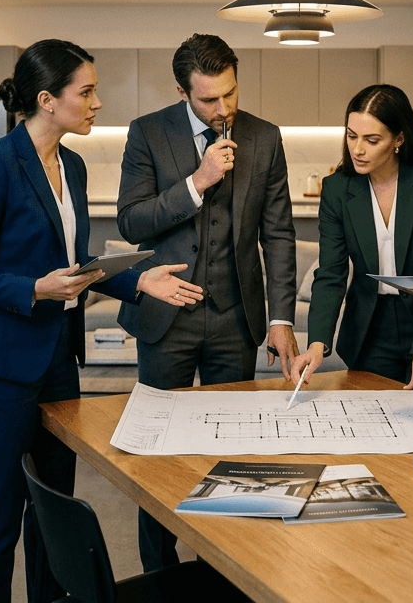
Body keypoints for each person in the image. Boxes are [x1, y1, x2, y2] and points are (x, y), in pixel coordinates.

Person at [0, 39, 202, 603]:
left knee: (52, 510)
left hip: (57, 360)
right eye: (86, 92)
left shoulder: (74, 165)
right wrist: (32, 289)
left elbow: (73, 265)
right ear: (46, 99)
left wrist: (137, 281)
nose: (97, 103)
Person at [115, 33, 298, 570]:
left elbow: (279, 234)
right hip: (166, 320)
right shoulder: (148, 133)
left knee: (233, 460)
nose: (224, 110)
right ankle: (160, 572)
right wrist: (197, 182)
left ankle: (224, 568)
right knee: (159, 455)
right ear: (182, 92)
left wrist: (281, 318)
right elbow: (131, 223)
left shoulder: (265, 138)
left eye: (231, 94)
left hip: (234, 319)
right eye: (209, 100)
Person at [291, 84, 413, 398]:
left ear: (399, 139)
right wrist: (316, 344)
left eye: (372, 140)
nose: (358, 150)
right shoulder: (337, 189)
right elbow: (331, 273)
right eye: (352, 136)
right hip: (370, 327)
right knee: (374, 425)